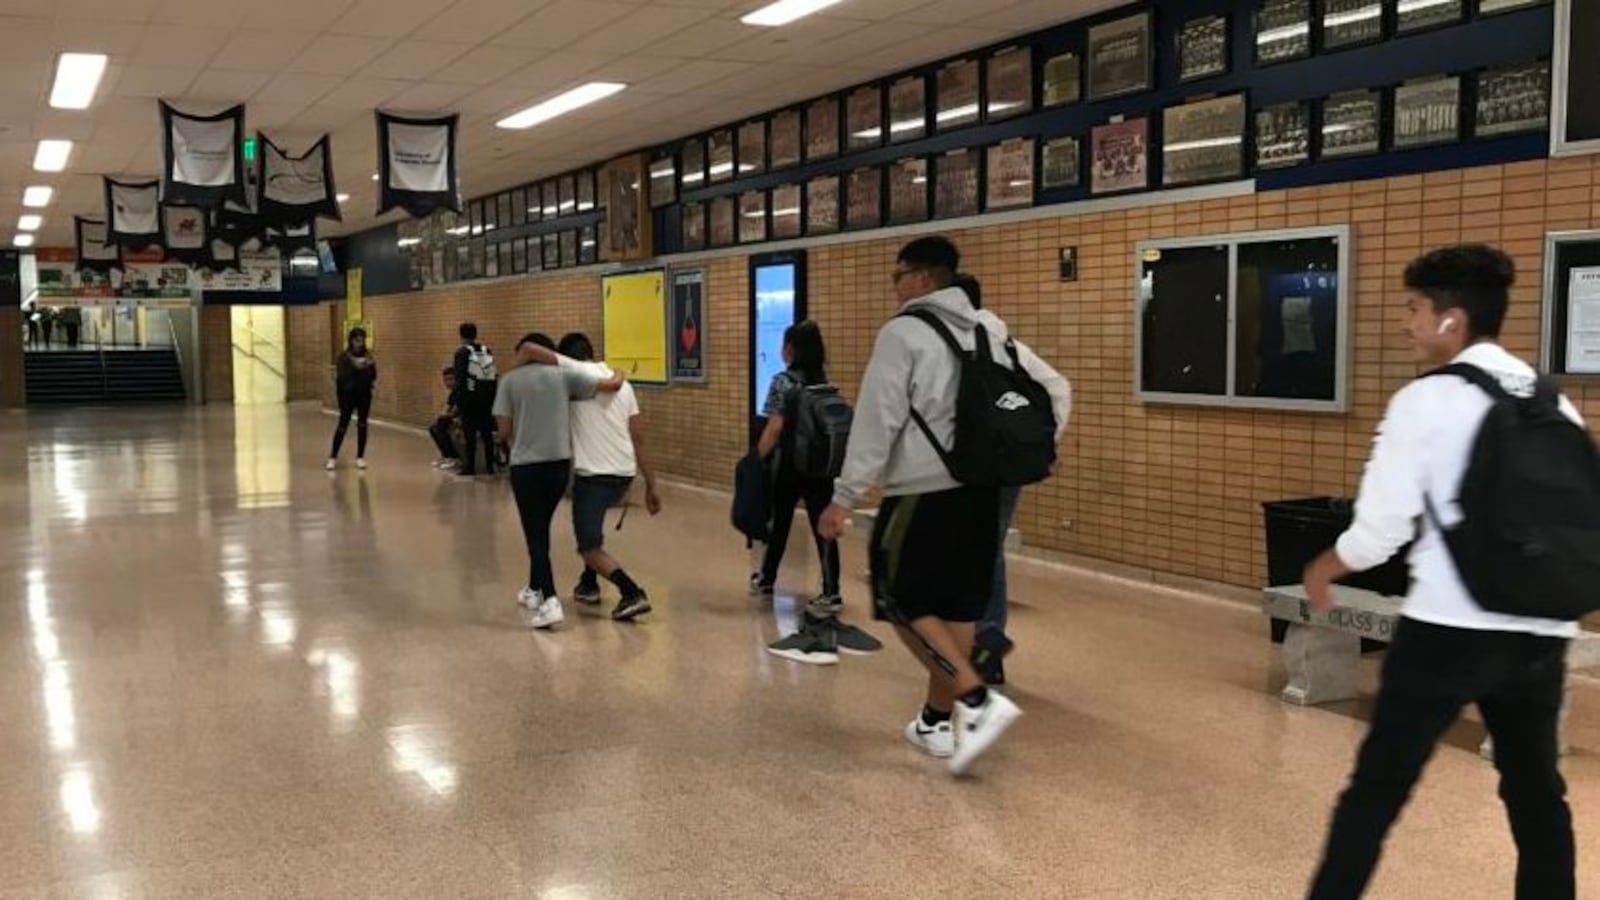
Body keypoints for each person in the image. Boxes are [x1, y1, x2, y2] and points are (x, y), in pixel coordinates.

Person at [1302, 245, 1580, 899]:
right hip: (1541, 628)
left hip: (1449, 630)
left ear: (1451, 320)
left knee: (1375, 791)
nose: (1407, 322)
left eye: (1414, 307)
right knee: (1537, 792)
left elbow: (1381, 530)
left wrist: (1324, 567)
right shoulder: (1551, 399)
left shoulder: (1424, 402)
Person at [818, 236, 1070, 776]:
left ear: (923, 278)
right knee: (957, 609)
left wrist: (843, 496)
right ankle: (936, 720)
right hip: (982, 491)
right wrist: (1042, 448)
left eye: (898, 275)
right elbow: (1054, 389)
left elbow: (876, 420)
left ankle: (976, 703)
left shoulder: (903, 333)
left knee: (899, 596)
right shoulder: (991, 330)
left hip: (921, 491)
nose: (895, 285)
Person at [961, 274, 1072, 688]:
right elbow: (1059, 388)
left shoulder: (955, 344)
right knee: (988, 549)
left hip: (965, 466)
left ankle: (971, 639)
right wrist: (1043, 445)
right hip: (1006, 467)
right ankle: (986, 642)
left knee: (963, 547)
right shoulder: (1008, 345)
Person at [753, 320, 882, 665]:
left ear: (790, 349)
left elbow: (775, 427)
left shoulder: (783, 381)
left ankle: (767, 578)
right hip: (822, 469)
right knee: (822, 527)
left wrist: (754, 459)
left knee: (779, 522)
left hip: (791, 467)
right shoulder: (825, 383)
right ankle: (831, 591)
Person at [520, 333, 661, 621]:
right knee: (592, 529)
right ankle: (588, 584)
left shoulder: (575, 372)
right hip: (623, 475)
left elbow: (529, 348)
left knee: (588, 548)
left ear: (568, 357)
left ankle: (631, 592)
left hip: (594, 477)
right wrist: (651, 485)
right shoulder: (623, 384)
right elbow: (641, 439)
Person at [493, 333, 616, 630]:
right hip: (559, 465)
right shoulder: (564, 376)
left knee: (535, 536)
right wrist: (619, 371)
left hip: (526, 467)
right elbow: (609, 385)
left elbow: (504, 430)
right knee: (541, 527)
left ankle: (550, 601)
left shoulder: (509, 381)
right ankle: (534, 589)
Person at [326, 328, 376, 471]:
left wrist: (370, 367)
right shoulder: (344, 357)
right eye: (356, 340)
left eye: (361, 341)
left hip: (364, 395)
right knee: (343, 424)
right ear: (351, 340)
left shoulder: (368, 356)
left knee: (362, 424)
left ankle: (360, 457)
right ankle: (333, 457)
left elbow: (373, 376)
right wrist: (355, 367)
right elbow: (341, 378)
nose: (359, 344)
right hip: (348, 396)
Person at [453, 323, 499, 477]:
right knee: (487, 433)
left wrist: (459, 402)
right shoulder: (486, 351)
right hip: (486, 399)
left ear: (461, 335)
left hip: (469, 399)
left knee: (470, 433)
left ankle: (470, 466)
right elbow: (492, 375)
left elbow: (459, 379)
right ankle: (490, 466)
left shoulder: (461, 353)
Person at [429, 366, 462, 471]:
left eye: (451, 379)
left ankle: (454, 457)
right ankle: (446, 455)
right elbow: (447, 408)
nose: (448, 383)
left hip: (464, 419)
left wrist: (444, 416)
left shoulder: (460, 392)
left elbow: (455, 412)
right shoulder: (453, 393)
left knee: (442, 425)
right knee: (433, 427)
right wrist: (441, 415)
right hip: (454, 419)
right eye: (446, 380)